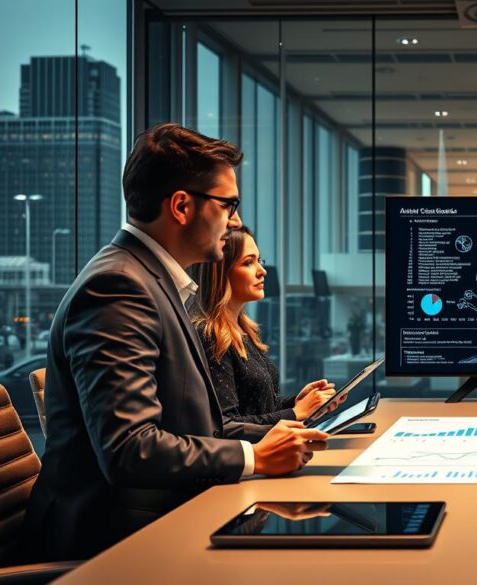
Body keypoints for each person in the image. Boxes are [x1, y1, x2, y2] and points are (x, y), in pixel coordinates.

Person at [21, 124, 331, 562]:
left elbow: (192, 423)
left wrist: (269, 441)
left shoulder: (153, 282)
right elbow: (130, 448)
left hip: (166, 514)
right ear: (182, 206)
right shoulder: (118, 287)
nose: (236, 221)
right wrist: (254, 458)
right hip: (117, 541)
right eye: (229, 205)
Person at [190, 226, 338, 425]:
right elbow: (226, 426)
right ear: (221, 272)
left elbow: (260, 407)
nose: (262, 271)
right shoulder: (210, 335)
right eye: (248, 263)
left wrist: (298, 402)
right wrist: (295, 413)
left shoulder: (244, 330)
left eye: (259, 260)